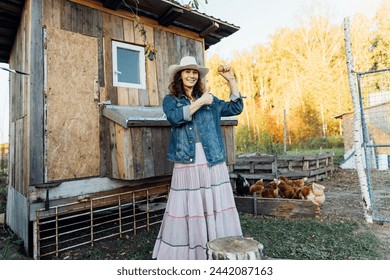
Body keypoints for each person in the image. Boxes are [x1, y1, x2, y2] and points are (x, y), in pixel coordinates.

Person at [152, 56, 244, 260]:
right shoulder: (171, 100)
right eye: (187, 71)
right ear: (180, 75)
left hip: (212, 158)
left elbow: (235, 108)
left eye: (195, 72)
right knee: (190, 203)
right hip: (187, 160)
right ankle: (193, 249)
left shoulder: (211, 100)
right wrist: (201, 101)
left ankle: (217, 243)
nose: (191, 75)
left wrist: (231, 80)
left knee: (213, 203)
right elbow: (175, 118)